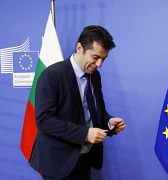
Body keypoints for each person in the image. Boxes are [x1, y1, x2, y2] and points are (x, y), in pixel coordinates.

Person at [29, 25, 126, 180]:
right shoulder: (52, 75)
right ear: (79, 48)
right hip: (58, 163)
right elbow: (44, 120)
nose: (99, 64)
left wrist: (109, 122)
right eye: (95, 57)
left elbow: (96, 111)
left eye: (103, 59)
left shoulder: (95, 76)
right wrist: (85, 133)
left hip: (84, 159)